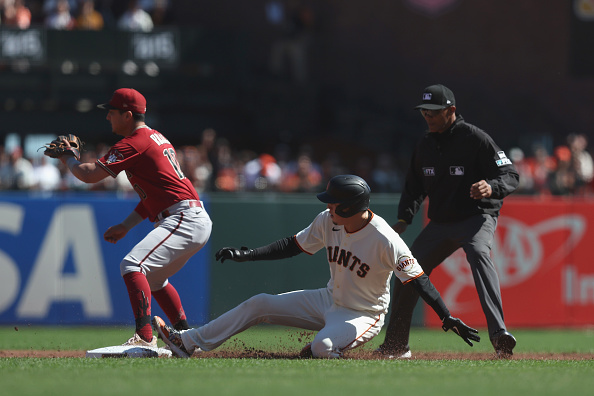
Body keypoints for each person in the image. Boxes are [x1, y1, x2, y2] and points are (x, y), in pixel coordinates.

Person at [152, 174, 479, 358]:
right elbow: (291, 246)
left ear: (351, 207)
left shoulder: (386, 239)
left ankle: (330, 360)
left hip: (363, 314)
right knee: (260, 303)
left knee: (322, 347)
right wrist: (249, 254)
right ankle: (189, 341)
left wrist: (446, 315)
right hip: (327, 300)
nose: (328, 206)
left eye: (334, 202)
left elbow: (419, 279)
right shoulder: (328, 221)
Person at [46, 88, 213, 346]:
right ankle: (186, 337)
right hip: (188, 215)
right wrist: (126, 225)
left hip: (184, 217)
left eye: (111, 112)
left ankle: (145, 338)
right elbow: (153, 199)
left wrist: (68, 158)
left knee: (132, 265)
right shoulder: (155, 137)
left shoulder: (135, 142)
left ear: (127, 115)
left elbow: (89, 174)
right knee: (155, 280)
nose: (107, 118)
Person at [377, 84, 519, 359]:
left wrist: (491, 186)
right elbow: (414, 186)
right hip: (441, 223)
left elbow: (511, 175)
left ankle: (499, 335)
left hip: (476, 218)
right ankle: (395, 345)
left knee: (479, 254)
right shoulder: (425, 144)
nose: (428, 117)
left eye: (434, 112)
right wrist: (405, 216)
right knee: (407, 270)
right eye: (424, 113)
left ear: (451, 111)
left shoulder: (475, 138)